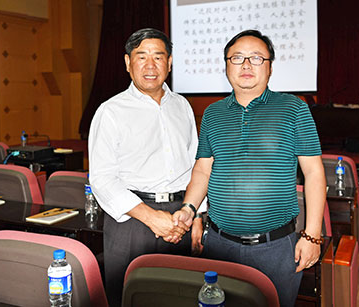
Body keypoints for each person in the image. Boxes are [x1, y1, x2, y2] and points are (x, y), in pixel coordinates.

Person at [173, 29, 326, 307]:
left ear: (270, 67)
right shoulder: (213, 113)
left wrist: (312, 235)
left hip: (276, 248)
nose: (246, 64)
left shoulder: (294, 109)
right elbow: (203, 170)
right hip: (219, 245)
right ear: (226, 66)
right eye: (237, 58)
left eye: (256, 58)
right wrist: (189, 208)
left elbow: (314, 173)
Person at [88, 28, 202, 307]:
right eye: (142, 57)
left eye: (158, 57)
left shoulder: (183, 106)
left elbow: (195, 165)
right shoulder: (110, 111)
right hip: (132, 221)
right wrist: (152, 218)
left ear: (169, 63)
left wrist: (198, 216)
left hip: (181, 218)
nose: (150, 66)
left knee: (180, 298)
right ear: (128, 63)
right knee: (131, 298)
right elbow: (102, 179)